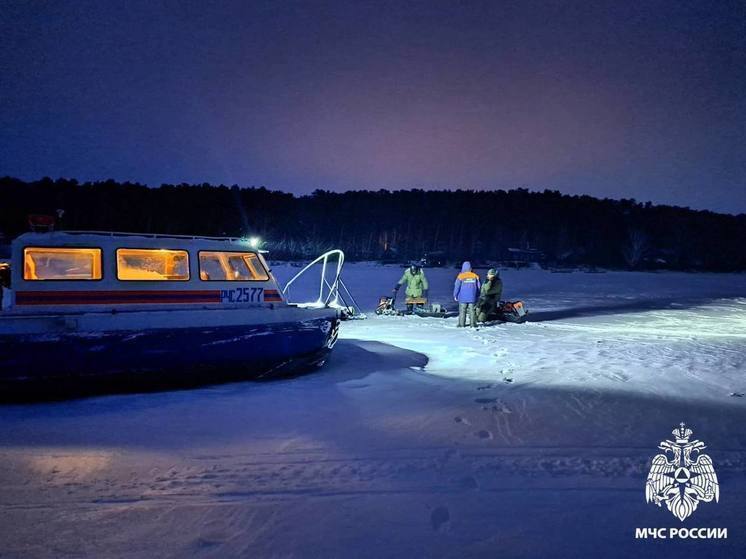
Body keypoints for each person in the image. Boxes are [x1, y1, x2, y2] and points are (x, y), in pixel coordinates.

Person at [453, 261, 480, 327]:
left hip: (462, 298)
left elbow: (457, 286)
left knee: (462, 311)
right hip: (472, 297)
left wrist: (455, 295)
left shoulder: (460, 276)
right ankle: (473, 324)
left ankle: (461, 324)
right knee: (472, 311)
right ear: (470, 268)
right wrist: (477, 295)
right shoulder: (475, 276)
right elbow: (478, 287)